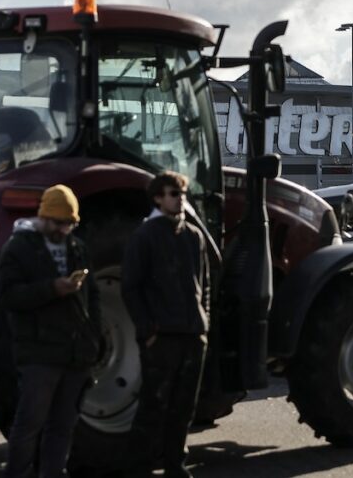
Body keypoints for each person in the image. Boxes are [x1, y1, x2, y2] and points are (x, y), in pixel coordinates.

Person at [0, 184, 102, 478]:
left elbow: (92, 297)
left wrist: (95, 337)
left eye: (70, 224)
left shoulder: (77, 248)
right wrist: (52, 289)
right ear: (44, 216)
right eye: (59, 223)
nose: (64, 229)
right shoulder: (18, 249)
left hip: (74, 353)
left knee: (63, 427)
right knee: (29, 425)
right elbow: (8, 297)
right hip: (38, 353)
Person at [123, 171, 210, 478]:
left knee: (184, 407)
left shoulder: (193, 236)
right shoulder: (144, 236)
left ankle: (176, 465)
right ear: (158, 197)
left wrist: (204, 322)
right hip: (162, 338)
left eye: (183, 193)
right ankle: (139, 469)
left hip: (192, 334)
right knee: (153, 407)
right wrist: (148, 331)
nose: (181, 199)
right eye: (174, 193)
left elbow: (204, 284)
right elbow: (131, 287)